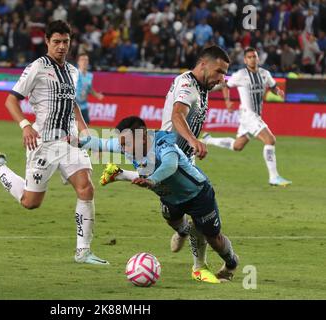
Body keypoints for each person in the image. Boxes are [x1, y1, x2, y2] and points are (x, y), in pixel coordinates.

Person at [0, 20, 108, 265]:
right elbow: (11, 100)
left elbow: (72, 103)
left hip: (69, 140)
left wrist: (84, 129)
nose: (62, 46)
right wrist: (24, 126)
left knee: (86, 188)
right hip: (43, 142)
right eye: (56, 42)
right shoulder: (37, 67)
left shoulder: (73, 72)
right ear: (46, 42)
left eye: (66, 41)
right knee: (30, 202)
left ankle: (83, 251)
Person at [98, 46, 231, 282]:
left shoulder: (203, 85)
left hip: (182, 159)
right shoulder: (187, 85)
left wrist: (224, 84)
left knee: (194, 208)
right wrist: (193, 140)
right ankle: (184, 234)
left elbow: (217, 85)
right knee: (171, 212)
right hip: (165, 154)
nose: (221, 77)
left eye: (224, 73)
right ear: (203, 64)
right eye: (219, 71)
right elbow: (177, 115)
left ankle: (200, 266)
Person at [81, 116, 239, 283]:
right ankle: (185, 232)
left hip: (197, 194)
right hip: (170, 197)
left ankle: (229, 264)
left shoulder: (163, 143)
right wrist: (76, 141)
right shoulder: (127, 145)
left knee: (213, 238)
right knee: (173, 221)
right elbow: (101, 143)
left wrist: (152, 180)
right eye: (121, 143)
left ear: (142, 137)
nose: (123, 148)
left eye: (126, 143)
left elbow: (170, 165)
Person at [201, 47, 291, 186]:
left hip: (255, 115)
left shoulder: (265, 73)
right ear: (245, 60)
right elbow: (225, 85)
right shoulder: (240, 75)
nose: (252, 59)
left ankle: (209, 140)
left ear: (258, 58)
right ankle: (274, 177)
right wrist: (227, 101)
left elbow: (273, 86)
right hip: (248, 115)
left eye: (254, 56)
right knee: (270, 140)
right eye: (249, 57)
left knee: (238, 146)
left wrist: (278, 91)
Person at [75, 53, 104, 124]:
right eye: (82, 60)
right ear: (78, 62)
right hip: (74, 106)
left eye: (86, 60)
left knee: (86, 128)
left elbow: (89, 89)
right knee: (75, 129)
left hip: (84, 106)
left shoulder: (90, 75)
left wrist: (97, 95)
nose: (84, 62)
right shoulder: (74, 74)